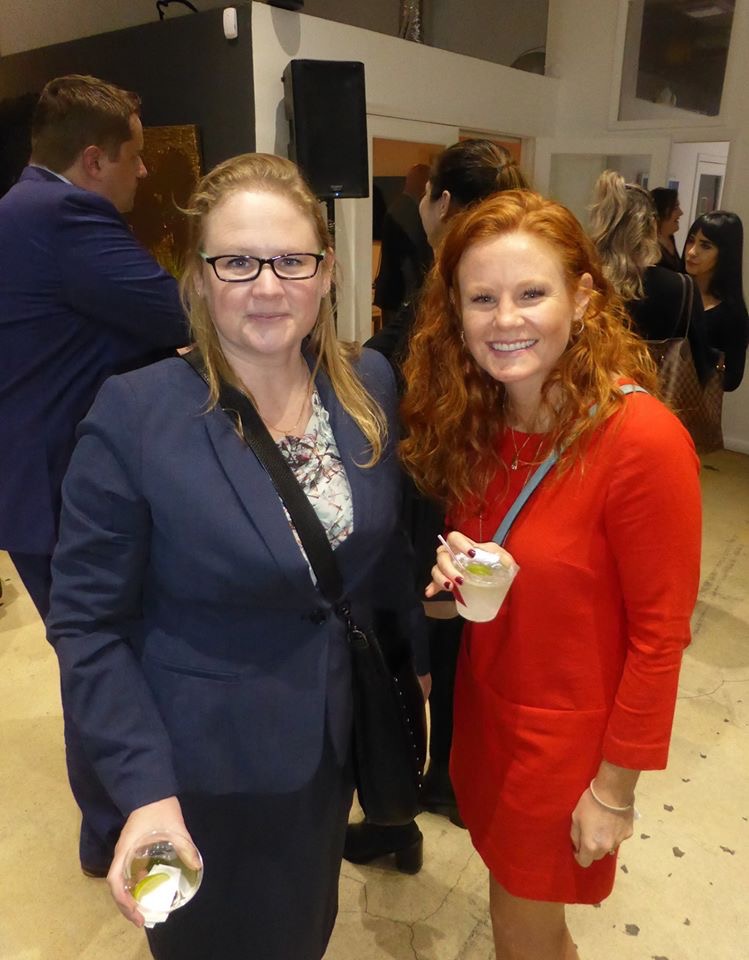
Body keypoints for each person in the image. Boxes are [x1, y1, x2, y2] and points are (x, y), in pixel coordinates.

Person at [46, 152, 428, 960]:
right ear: (198, 276)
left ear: (326, 273)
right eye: (237, 262)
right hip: (200, 773)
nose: (267, 287)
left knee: (302, 931)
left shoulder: (365, 383)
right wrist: (144, 791)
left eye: (291, 261)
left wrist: (415, 649)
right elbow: (87, 624)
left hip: (328, 745)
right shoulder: (137, 414)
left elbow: (382, 549)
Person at [400, 189, 701, 960]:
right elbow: (503, 577)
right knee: (524, 923)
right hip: (488, 717)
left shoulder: (639, 441)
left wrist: (614, 791)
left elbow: (660, 638)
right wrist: (453, 575)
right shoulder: (483, 420)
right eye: (482, 298)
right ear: (455, 311)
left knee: (521, 937)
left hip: (566, 749)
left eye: (531, 293)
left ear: (583, 297)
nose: (505, 319)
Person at [0, 74, 188, 878]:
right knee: (103, 660)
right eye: (134, 157)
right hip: (58, 492)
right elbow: (178, 312)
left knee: (91, 656)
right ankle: (115, 829)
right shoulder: (64, 216)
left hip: (29, 484)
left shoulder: (19, 210)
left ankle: (108, 822)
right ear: (93, 160)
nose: (143, 172)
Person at [346, 140, 530, 872]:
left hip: (436, 493)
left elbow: (388, 373)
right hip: (480, 488)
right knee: (455, 642)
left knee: (414, 648)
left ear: (442, 202)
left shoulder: (448, 285)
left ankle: (407, 802)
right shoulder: (485, 278)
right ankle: (441, 784)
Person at [590, 170, 714, 384]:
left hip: (595, 393)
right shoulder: (681, 287)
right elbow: (703, 367)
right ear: (651, 229)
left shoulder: (585, 282)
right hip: (657, 395)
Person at [684, 210, 749, 391]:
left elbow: (732, 379)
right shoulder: (674, 291)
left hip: (693, 401)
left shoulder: (732, 314)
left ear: (725, 254)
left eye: (705, 246)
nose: (692, 252)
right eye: (691, 241)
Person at [373, 163, 432, 328]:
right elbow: (409, 260)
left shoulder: (398, 207)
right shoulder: (408, 212)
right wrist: (413, 298)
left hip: (393, 292)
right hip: (400, 295)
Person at [651, 186, 684, 271]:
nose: (681, 213)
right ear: (660, 211)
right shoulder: (648, 246)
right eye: (675, 208)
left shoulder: (670, 237)